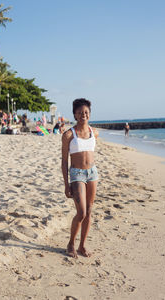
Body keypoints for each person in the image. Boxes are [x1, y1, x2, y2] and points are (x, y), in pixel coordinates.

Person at [62, 98, 99, 258]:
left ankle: (82, 245)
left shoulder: (94, 132)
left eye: (86, 112)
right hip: (76, 174)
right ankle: (71, 243)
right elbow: (64, 161)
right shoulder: (69, 134)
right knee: (82, 212)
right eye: (80, 112)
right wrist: (66, 184)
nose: (83, 115)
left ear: (89, 114)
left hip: (92, 174)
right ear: (75, 115)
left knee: (89, 211)